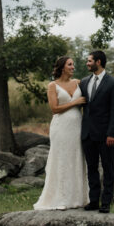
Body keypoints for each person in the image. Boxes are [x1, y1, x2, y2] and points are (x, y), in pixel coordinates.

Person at [33, 56, 89, 210]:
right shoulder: (53, 85)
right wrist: (75, 103)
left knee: (77, 157)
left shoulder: (78, 83)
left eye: (73, 64)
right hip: (61, 127)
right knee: (62, 158)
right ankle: (61, 198)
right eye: (70, 64)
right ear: (62, 67)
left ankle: (80, 198)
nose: (73, 67)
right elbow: (54, 109)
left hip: (77, 126)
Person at [80, 50, 114, 213]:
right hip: (88, 134)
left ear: (98, 62)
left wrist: (112, 133)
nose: (87, 63)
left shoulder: (113, 83)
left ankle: (106, 202)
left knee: (108, 168)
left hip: (106, 135)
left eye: (89, 61)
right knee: (91, 168)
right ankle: (94, 200)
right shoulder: (83, 82)